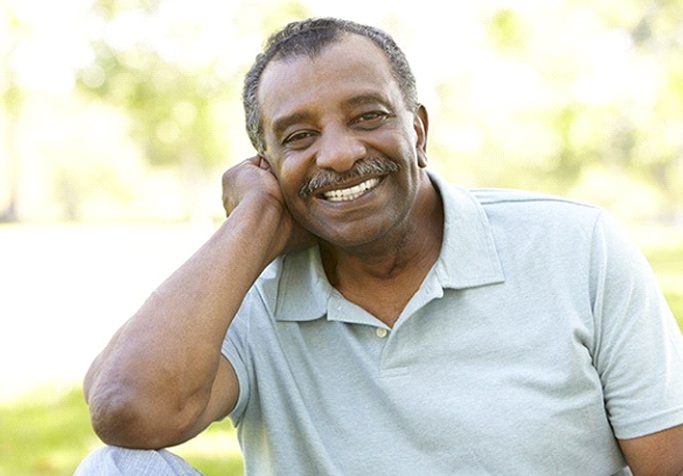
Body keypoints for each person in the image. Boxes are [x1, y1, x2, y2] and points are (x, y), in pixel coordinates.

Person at [75, 17, 683, 475]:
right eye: (300, 136)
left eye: (367, 117)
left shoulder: (575, 246)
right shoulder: (246, 295)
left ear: (417, 129)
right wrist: (251, 221)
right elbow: (128, 411)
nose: (338, 154)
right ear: (267, 165)